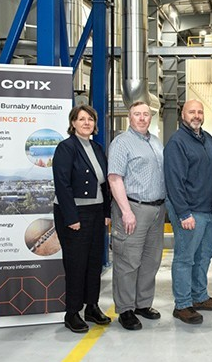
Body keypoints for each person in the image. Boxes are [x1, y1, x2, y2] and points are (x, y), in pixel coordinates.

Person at [165, 99, 212, 325]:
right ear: (183, 115)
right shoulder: (177, 142)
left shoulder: (208, 139)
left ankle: (199, 296)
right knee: (185, 258)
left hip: (209, 210)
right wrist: (183, 213)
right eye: (192, 112)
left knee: (204, 256)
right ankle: (182, 304)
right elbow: (174, 181)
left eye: (200, 112)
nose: (196, 115)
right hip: (190, 211)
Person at [52, 104, 111, 333]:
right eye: (82, 119)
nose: (87, 123)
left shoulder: (96, 147)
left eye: (90, 119)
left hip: (96, 212)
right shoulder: (66, 148)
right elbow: (62, 184)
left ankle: (91, 306)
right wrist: (71, 217)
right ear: (73, 123)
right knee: (76, 264)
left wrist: (106, 212)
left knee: (94, 262)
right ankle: (72, 312)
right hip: (75, 213)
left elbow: (104, 184)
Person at [107, 101, 166, 331]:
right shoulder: (122, 142)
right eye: (137, 114)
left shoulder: (156, 142)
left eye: (145, 114)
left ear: (151, 117)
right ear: (130, 117)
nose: (142, 118)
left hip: (157, 210)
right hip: (133, 209)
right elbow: (114, 178)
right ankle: (125, 309)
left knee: (151, 261)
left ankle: (142, 304)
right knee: (128, 261)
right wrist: (126, 211)